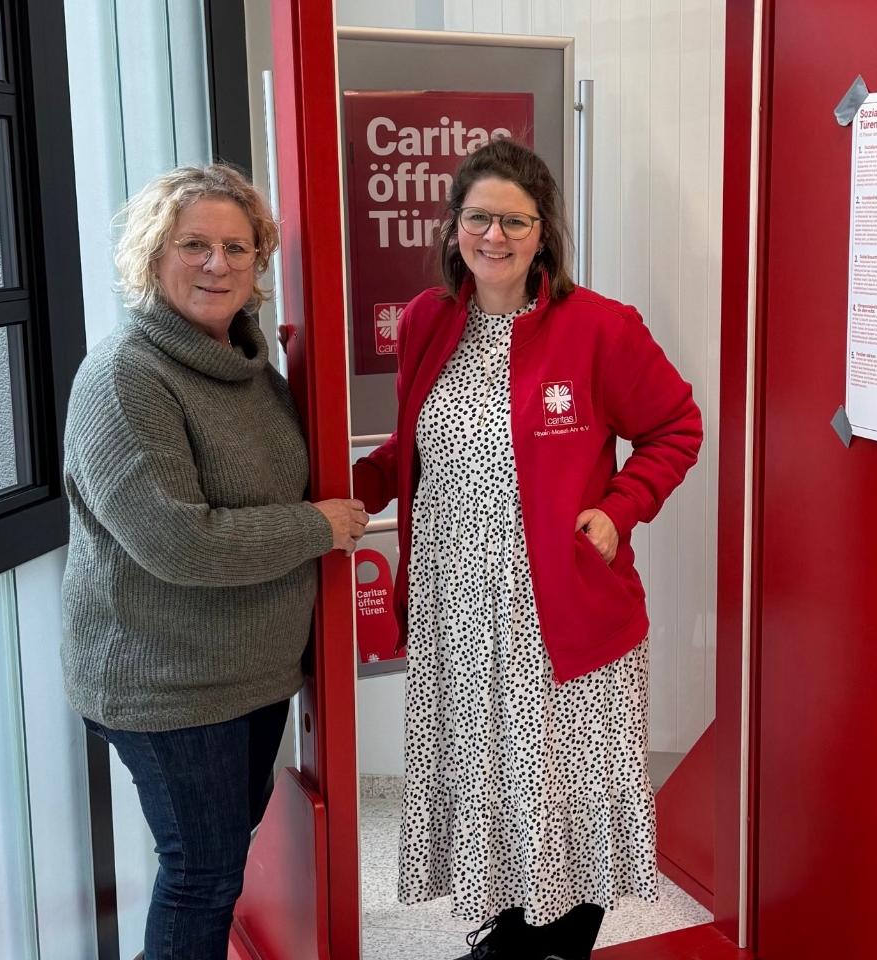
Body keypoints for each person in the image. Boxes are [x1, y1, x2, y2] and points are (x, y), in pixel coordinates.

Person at [353, 138, 702, 960]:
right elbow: (413, 450)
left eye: (515, 220)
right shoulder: (426, 321)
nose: (495, 236)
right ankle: (510, 924)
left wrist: (622, 509)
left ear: (544, 233)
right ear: (453, 229)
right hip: (457, 603)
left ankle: (561, 939)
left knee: (569, 783)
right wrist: (348, 496)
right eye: (479, 217)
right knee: (498, 780)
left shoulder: (600, 328)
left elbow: (675, 428)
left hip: (561, 605)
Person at [60, 163, 368, 960]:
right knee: (201, 877)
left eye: (238, 246)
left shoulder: (250, 371)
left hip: (252, 675)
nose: (217, 263)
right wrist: (316, 528)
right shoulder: (126, 377)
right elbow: (177, 541)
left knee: (217, 861)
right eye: (194, 244)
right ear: (152, 256)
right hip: (168, 687)